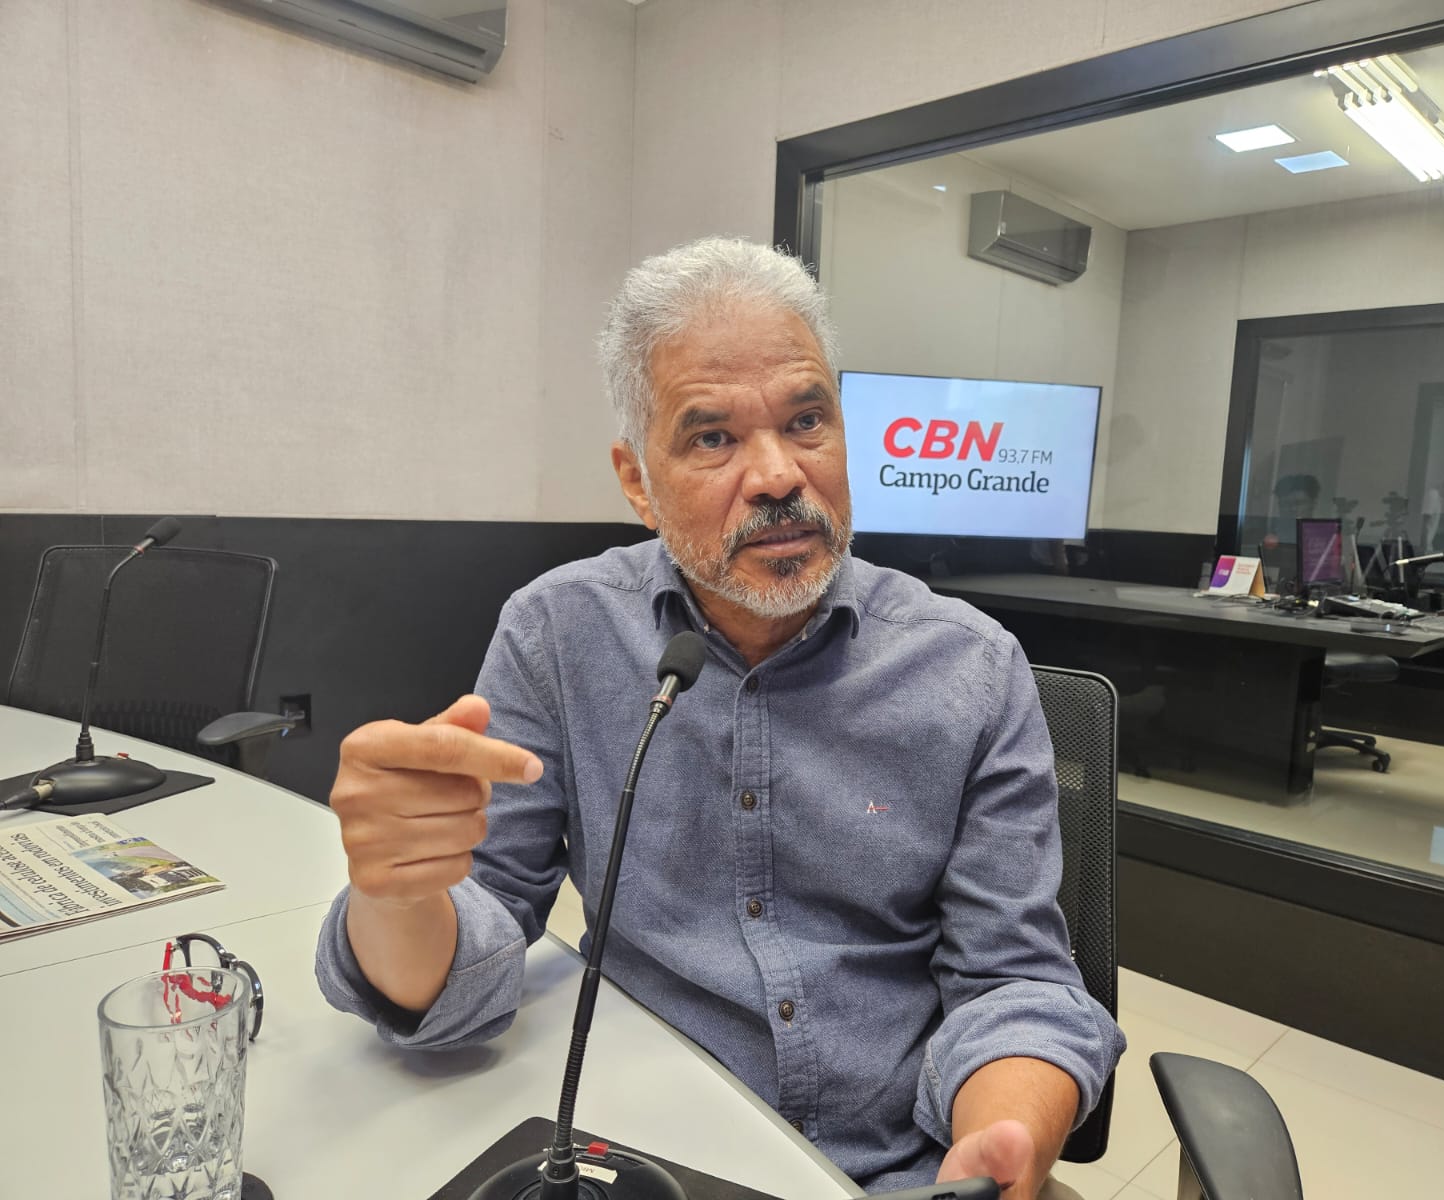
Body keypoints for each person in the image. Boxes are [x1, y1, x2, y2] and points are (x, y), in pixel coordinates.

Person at [314, 237, 1124, 1197]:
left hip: (892, 1167)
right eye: (713, 437)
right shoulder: (558, 632)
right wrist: (400, 892)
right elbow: (478, 943)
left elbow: (1014, 982)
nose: (779, 474)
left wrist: (1003, 1135)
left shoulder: (972, 667)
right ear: (635, 482)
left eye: (806, 419)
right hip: (642, 1154)